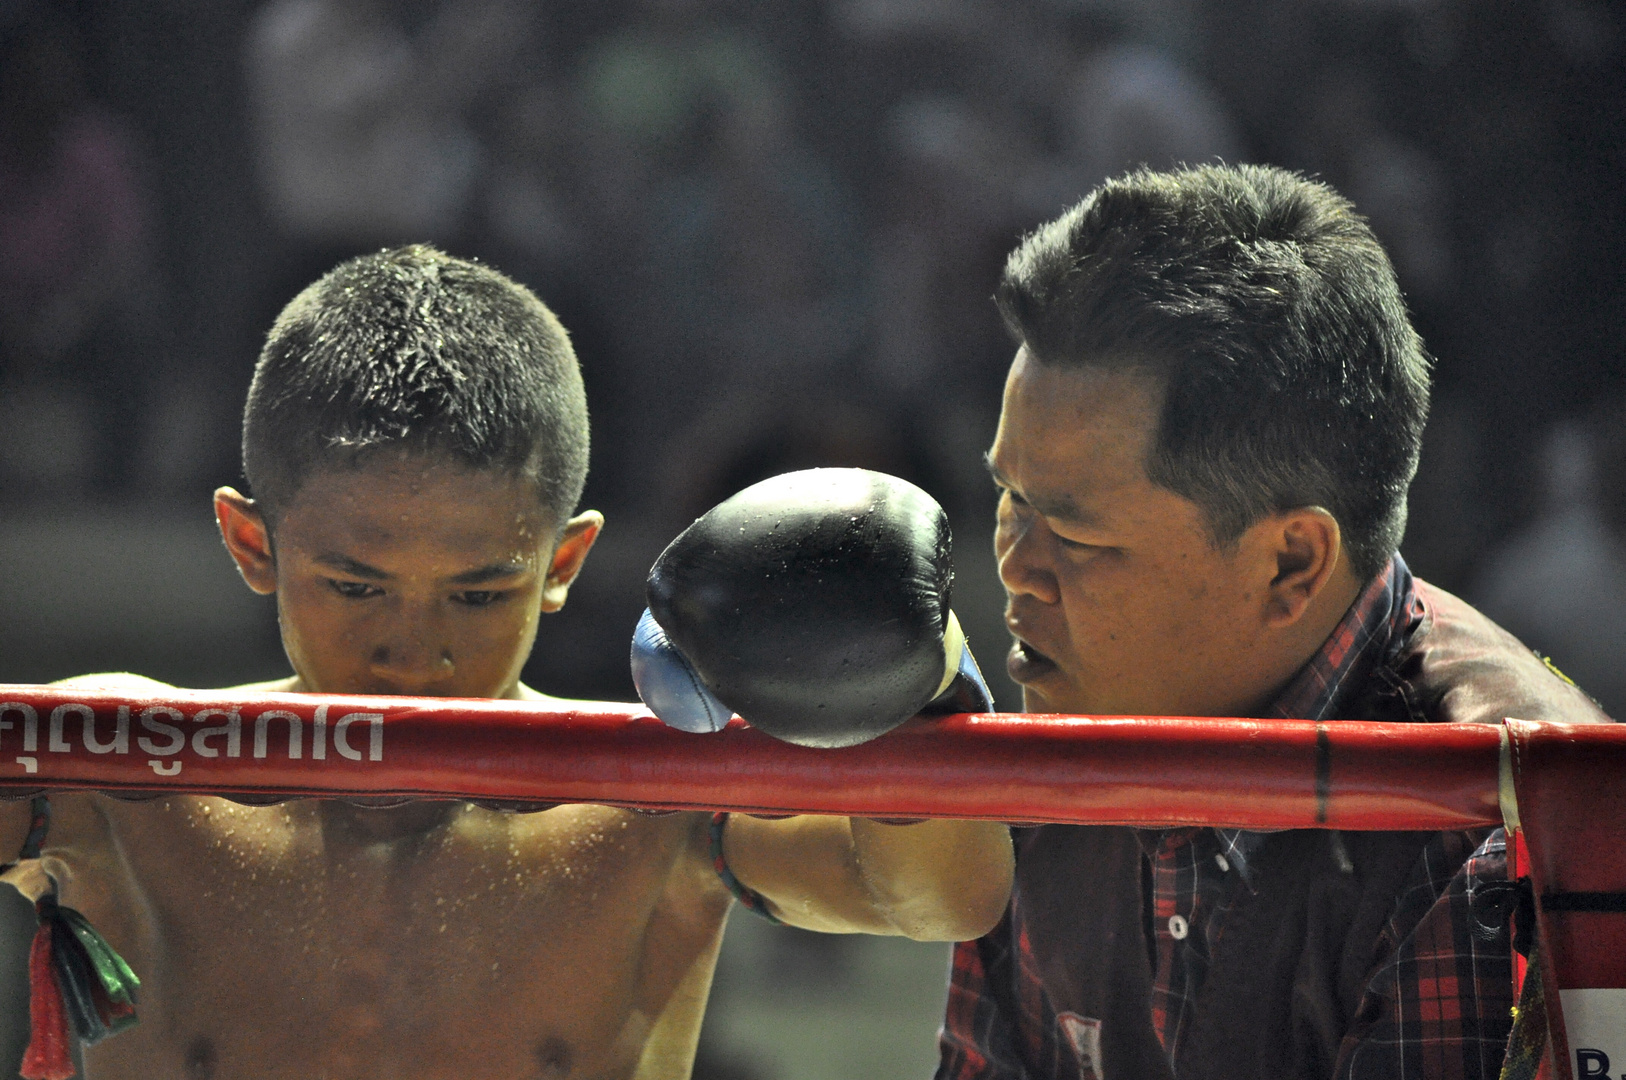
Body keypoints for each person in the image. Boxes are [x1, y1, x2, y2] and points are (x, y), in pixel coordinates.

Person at [0, 246, 1013, 1080]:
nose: (416, 647)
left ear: (562, 563)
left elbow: (936, 899)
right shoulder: (126, 773)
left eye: (480, 593)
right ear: (251, 543)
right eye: (356, 588)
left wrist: (924, 673)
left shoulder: (646, 805)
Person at [936, 165, 1611, 1080]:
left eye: (1075, 532)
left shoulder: (1489, 830)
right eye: (1009, 499)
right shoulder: (1048, 748)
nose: (1012, 560)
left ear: (1291, 563)